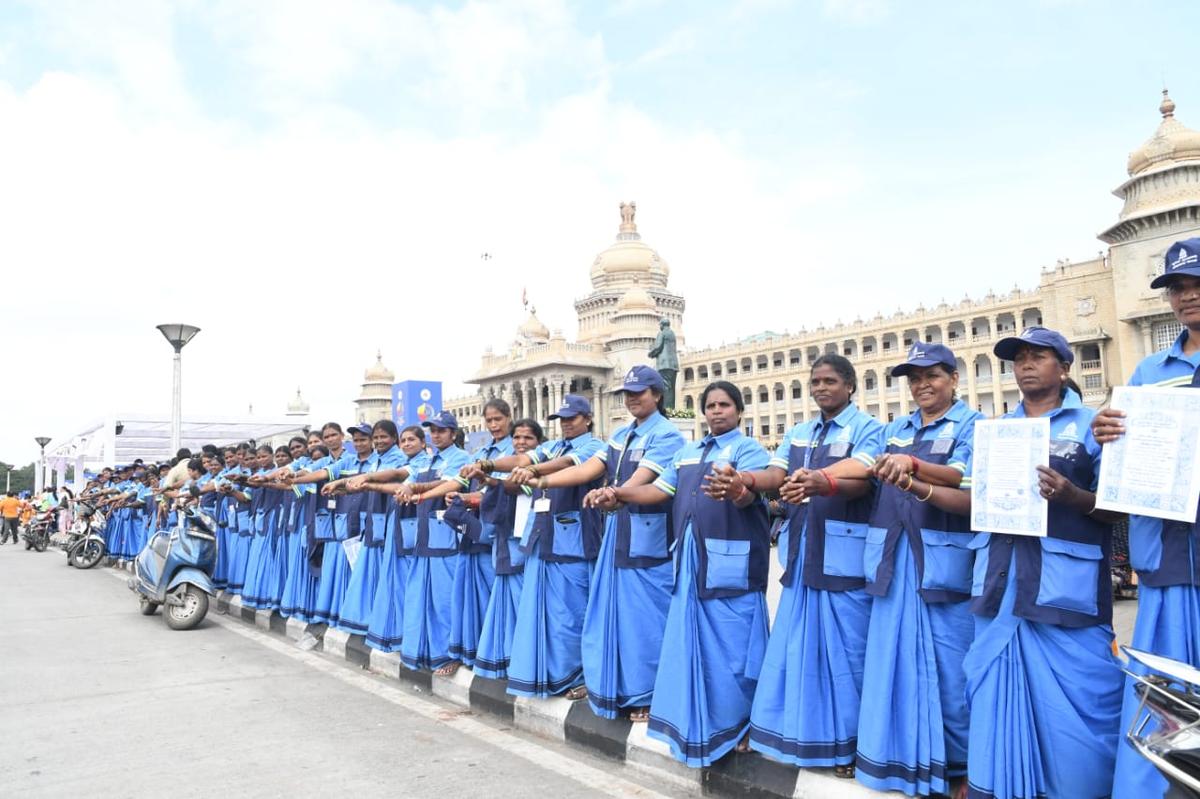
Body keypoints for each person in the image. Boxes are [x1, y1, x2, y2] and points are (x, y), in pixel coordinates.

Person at [964, 326, 1124, 799]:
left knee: (1087, 694)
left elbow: (1118, 508)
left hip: (1064, 585)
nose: (1026, 365)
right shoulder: (994, 430)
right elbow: (974, 497)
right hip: (1001, 580)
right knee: (995, 685)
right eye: (1019, 359)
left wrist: (1072, 495)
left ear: (1065, 367)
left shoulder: (1094, 426)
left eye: (1039, 356)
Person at [830, 343, 981, 798]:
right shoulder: (894, 428)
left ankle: (959, 768)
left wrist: (914, 469)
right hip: (893, 563)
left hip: (941, 566)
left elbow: (967, 482)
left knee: (950, 673)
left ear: (953, 378)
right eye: (914, 378)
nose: (922, 385)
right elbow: (864, 466)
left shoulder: (974, 426)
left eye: (932, 375)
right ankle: (896, 759)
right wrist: (821, 480)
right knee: (889, 666)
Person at [597, 380, 771, 766]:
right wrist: (619, 494)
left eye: (725, 405)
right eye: (710, 405)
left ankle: (743, 723)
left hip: (731, 563)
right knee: (696, 644)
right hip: (692, 561)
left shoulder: (748, 450)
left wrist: (739, 489)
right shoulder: (689, 452)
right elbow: (659, 490)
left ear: (739, 411)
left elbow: (750, 495)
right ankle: (700, 719)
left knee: (735, 646)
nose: (717, 411)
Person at [1093, 238, 1200, 799]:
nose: (1189, 296)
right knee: (1167, 691)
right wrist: (1106, 434)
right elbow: (1125, 457)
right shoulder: (1149, 372)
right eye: (1179, 287)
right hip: (1166, 558)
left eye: (1197, 283)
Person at [745, 355, 884, 777]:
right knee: (796, 649)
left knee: (849, 656)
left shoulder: (868, 429)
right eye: (816, 381)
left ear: (850, 386)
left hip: (844, 560)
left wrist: (821, 479)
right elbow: (776, 471)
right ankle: (801, 733)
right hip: (803, 554)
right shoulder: (800, 432)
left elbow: (864, 471)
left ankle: (854, 743)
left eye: (830, 381)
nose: (821, 388)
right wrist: (746, 480)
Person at [535, 366, 686, 721]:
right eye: (628, 393)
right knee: (613, 617)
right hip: (617, 535)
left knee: (646, 621)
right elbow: (588, 470)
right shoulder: (620, 434)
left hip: (648, 541)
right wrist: (542, 481)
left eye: (640, 392)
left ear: (657, 395)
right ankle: (618, 688)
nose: (633, 399)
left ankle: (650, 694)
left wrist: (615, 492)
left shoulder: (667, 436)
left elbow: (643, 478)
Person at [480, 395, 605, 701]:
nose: (565, 424)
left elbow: (563, 466)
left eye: (572, 418)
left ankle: (583, 676)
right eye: (561, 419)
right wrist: (490, 466)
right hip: (544, 539)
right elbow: (524, 460)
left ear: (587, 418)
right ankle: (553, 675)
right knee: (548, 615)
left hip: (575, 542)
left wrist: (537, 475)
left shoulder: (592, 446)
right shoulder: (554, 446)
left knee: (573, 614)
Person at [394, 411, 472, 672]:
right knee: (421, 598)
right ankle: (426, 651)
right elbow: (405, 483)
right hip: (425, 536)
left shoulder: (460, 457)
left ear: (453, 433)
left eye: (441, 430)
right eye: (433, 430)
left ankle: (451, 654)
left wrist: (415, 490)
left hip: (447, 539)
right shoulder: (426, 461)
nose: (436, 434)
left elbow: (450, 484)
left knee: (445, 600)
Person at [471, 418, 545, 680]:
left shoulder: (541, 467)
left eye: (528, 438)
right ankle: (508, 658)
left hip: (532, 543)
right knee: (506, 598)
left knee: (527, 601)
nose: (521, 443)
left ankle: (525, 659)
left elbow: (518, 487)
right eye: (517, 438)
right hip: (505, 540)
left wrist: (491, 481)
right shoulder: (505, 466)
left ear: (539, 442)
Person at [359, 425, 431, 653]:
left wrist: (367, 481)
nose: (407, 444)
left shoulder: (422, 462)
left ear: (422, 442)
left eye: (412, 440)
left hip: (414, 527)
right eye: (404, 440)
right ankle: (394, 633)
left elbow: (400, 479)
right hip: (396, 524)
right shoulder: (403, 461)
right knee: (393, 581)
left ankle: (406, 636)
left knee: (407, 584)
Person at [333, 420, 406, 636]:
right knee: (369, 574)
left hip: (390, 521)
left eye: (383, 437)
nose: (379, 441)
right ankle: (371, 622)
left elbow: (391, 482)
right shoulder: (376, 461)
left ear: (395, 438)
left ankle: (386, 625)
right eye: (377, 437)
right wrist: (341, 488)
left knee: (387, 576)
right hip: (374, 523)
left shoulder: (398, 459)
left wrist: (365, 480)